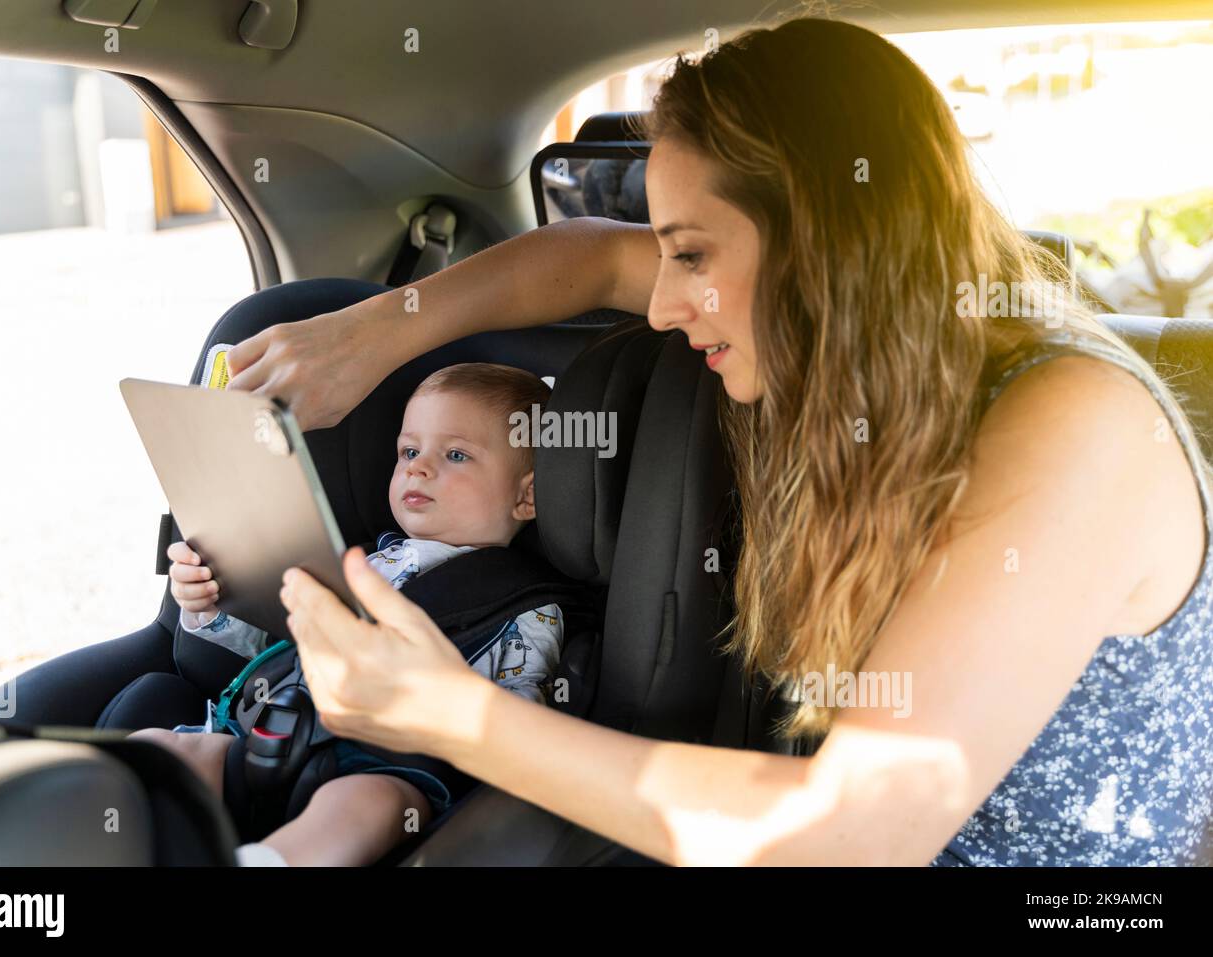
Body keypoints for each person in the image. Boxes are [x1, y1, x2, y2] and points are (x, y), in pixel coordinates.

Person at [228, 17, 1213, 865]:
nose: (658, 304)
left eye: (690, 254)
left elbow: (850, 839)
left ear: (832, 241)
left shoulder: (1076, 422)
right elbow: (581, 260)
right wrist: (374, 331)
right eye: (665, 253)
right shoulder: (857, 389)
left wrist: (452, 716)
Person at [131, 362, 564, 866]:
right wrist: (210, 603)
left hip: (388, 761)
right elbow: (278, 639)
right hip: (277, 730)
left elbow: (519, 725)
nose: (419, 468)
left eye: (456, 454)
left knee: (367, 805)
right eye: (409, 451)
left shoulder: (529, 608)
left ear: (526, 495)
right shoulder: (361, 561)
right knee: (162, 751)